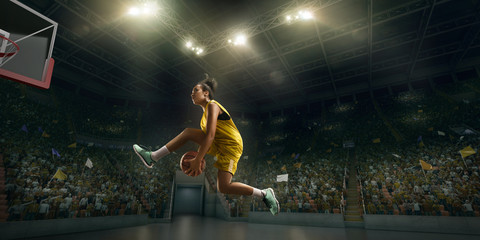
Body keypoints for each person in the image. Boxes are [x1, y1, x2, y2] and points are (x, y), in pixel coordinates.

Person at [133, 75, 280, 215]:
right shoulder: (203, 117)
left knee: (224, 186)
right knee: (189, 132)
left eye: (195, 90)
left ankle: (264, 194)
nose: (192, 94)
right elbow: (207, 139)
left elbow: (209, 136)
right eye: (191, 92)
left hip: (231, 146)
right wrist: (198, 157)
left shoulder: (213, 105)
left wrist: (198, 160)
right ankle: (152, 157)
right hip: (219, 144)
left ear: (206, 93)